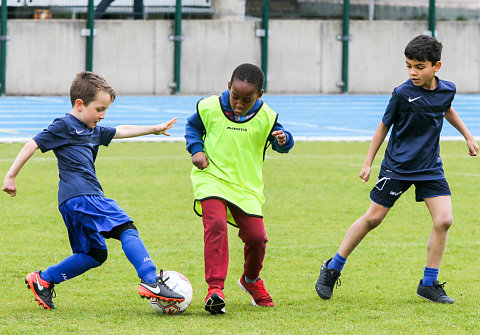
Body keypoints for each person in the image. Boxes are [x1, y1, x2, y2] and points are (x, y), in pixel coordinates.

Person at [315, 35, 479, 304]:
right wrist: (369, 162)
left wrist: (468, 136)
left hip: (429, 167)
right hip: (397, 167)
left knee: (444, 220)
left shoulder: (447, 89)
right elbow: (383, 126)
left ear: (436, 66)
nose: (412, 72)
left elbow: (446, 108)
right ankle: (332, 267)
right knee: (373, 219)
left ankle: (428, 283)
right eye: (408, 66)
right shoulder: (402, 93)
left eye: (419, 66)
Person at [2, 71, 184, 310]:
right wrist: (11, 175)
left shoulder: (92, 129)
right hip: (83, 196)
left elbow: (121, 130)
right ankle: (151, 280)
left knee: (94, 254)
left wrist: (154, 129)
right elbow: (33, 143)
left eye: (105, 110)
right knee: (125, 228)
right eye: (99, 109)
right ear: (80, 105)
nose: (102, 115)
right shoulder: (64, 125)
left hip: (72, 201)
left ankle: (43, 279)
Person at [185, 63, 294, 314]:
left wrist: (284, 140)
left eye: (247, 99)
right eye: (235, 96)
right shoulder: (209, 106)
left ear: (260, 95)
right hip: (211, 178)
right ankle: (215, 289)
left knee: (257, 238)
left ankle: (251, 281)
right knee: (215, 226)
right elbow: (193, 128)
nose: (239, 104)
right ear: (228, 87)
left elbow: (281, 141)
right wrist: (197, 149)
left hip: (246, 186)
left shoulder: (267, 116)